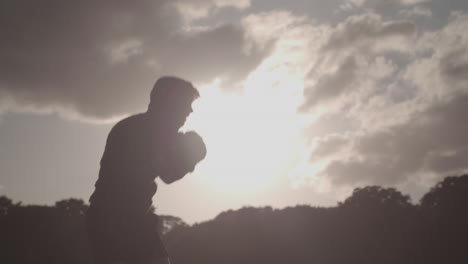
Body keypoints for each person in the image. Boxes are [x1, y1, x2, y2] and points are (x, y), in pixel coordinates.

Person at [86, 76, 207, 264]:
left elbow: (167, 173)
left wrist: (188, 157)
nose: (190, 111)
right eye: (185, 104)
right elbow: (162, 172)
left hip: (133, 219)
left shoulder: (157, 134)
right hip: (111, 219)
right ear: (169, 103)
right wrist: (189, 155)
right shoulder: (135, 131)